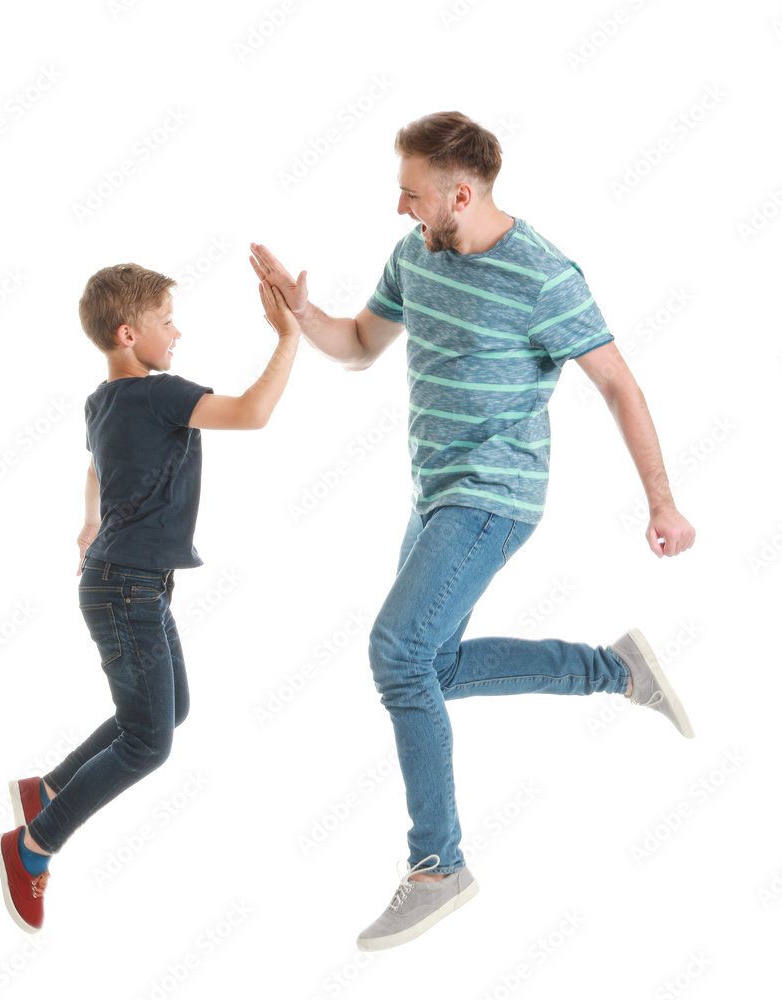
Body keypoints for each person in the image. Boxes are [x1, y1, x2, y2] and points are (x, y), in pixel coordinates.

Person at [249, 110, 696, 952]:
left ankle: (437, 866)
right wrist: (301, 314)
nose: (399, 209)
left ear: (461, 192)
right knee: (432, 665)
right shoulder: (416, 255)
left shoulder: (543, 273)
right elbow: (356, 347)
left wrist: (662, 502)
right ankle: (615, 671)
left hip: (495, 497)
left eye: (411, 194)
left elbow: (620, 387)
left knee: (396, 656)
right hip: (433, 496)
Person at [0, 263, 300, 933]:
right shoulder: (160, 394)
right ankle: (33, 845)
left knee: (169, 710)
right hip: (127, 590)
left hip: (130, 585)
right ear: (129, 333)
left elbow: (98, 467)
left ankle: (45, 789)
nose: (178, 331)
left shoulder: (102, 401)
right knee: (149, 742)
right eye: (168, 320)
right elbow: (252, 413)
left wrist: (89, 524)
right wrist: (288, 334)